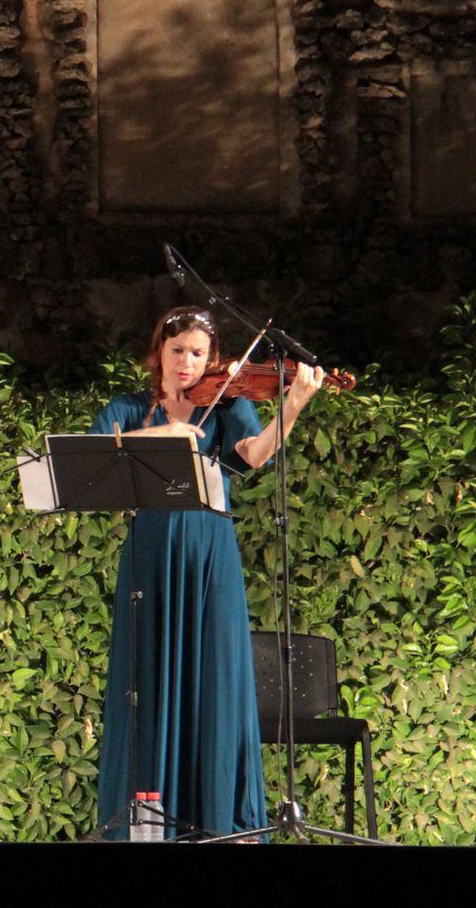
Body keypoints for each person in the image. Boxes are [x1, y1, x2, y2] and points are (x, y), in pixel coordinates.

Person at [89, 306, 324, 839]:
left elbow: (255, 455)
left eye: (198, 354)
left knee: (215, 674)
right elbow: (96, 455)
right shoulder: (129, 408)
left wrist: (291, 406)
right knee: (144, 680)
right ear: (160, 353)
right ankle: (147, 824)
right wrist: (166, 434)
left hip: (209, 550)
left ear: (213, 359)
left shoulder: (226, 406)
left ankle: (220, 821)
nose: (187, 363)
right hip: (149, 551)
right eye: (178, 351)